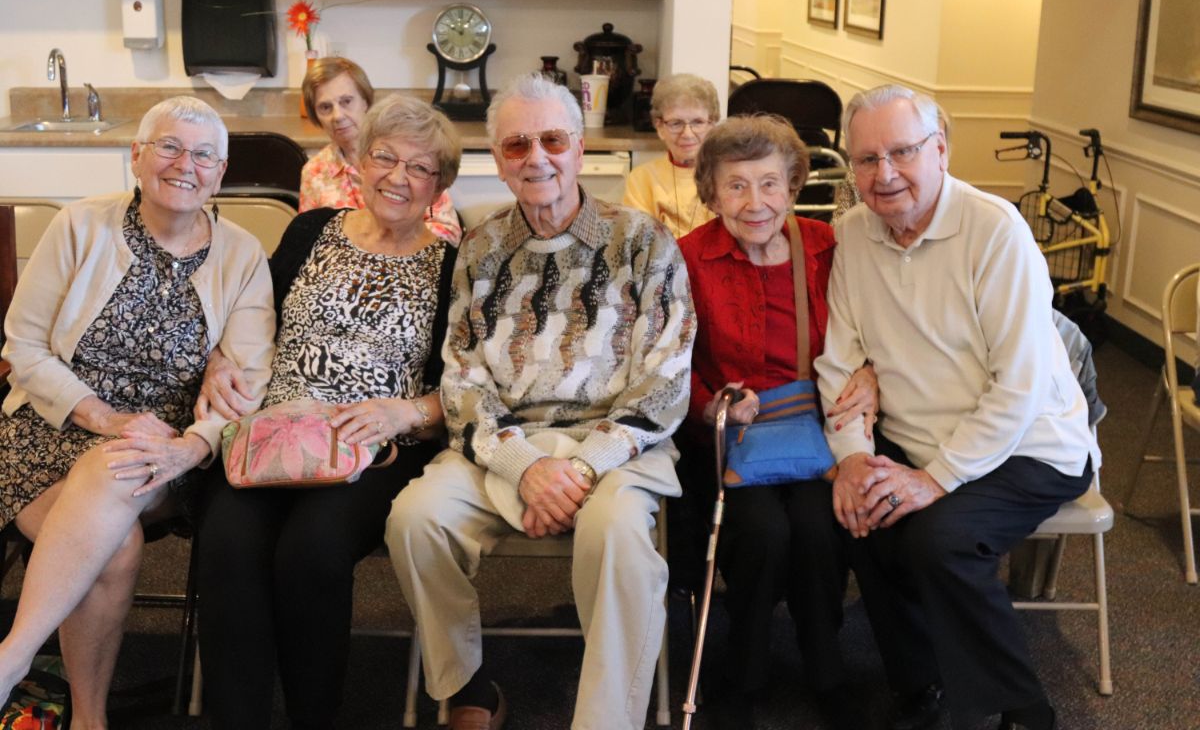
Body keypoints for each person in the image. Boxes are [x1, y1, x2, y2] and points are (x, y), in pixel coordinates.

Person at [386, 73, 695, 730]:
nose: (537, 158)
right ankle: (468, 688)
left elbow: (665, 383)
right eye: (517, 145)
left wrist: (582, 468)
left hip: (616, 447)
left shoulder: (644, 243)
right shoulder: (480, 248)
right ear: (498, 162)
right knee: (415, 519)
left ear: (579, 149)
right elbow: (463, 381)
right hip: (505, 444)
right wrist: (524, 465)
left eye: (553, 140)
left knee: (615, 532)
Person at [814, 84, 1099, 730]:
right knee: (859, 511)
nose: (884, 174)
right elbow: (839, 359)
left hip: (1031, 445)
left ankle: (1021, 711)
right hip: (917, 439)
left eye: (902, 152)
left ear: (940, 150)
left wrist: (934, 479)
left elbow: (1019, 388)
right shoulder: (853, 235)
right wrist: (856, 460)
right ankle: (923, 686)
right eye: (865, 159)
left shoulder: (995, 232)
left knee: (940, 540)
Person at [0, 96, 275, 729]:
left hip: (165, 452)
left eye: (204, 155)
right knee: (115, 545)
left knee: (114, 469)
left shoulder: (242, 257)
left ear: (221, 171)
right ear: (136, 157)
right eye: (169, 147)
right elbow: (25, 347)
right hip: (52, 427)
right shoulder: (79, 226)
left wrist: (195, 445)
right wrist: (105, 417)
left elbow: (249, 382)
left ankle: (11, 661)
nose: (186, 165)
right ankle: (90, 720)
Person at [195, 94, 460, 730]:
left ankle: (316, 718)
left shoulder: (454, 264)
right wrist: (217, 360)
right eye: (385, 157)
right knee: (227, 544)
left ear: (439, 185)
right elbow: (246, 313)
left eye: (419, 168)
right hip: (270, 434)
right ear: (360, 163)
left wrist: (405, 413)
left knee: (310, 550)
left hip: (371, 449)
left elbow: (464, 385)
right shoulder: (310, 230)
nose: (398, 177)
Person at [678, 114, 877, 729]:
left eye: (770, 184)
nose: (755, 202)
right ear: (711, 194)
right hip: (725, 439)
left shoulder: (826, 246)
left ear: (793, 188)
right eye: (735, 186)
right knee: (763, 531)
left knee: (821, 526)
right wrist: (710, 402)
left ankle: (826, 667)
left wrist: (871, 370)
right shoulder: (688, 257)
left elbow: (871, 327)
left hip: (815, 431)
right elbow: (664, 361)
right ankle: (743, 673)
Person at [300, 55, 461, 245]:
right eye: (325, 107)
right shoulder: (314, 171)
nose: (338, 116)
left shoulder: (409, 151)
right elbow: (309, 239)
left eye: (346, 101)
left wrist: (389, 250)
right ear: (316, 117)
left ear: (365, 102)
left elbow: (447, 231)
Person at [622, 73, 719, 237]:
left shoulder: (729, 176)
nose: (687, 134)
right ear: (660, 127)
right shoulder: (642, 179)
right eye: (676, 123)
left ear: (712, 124)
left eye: (697, 122)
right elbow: (640, 244)